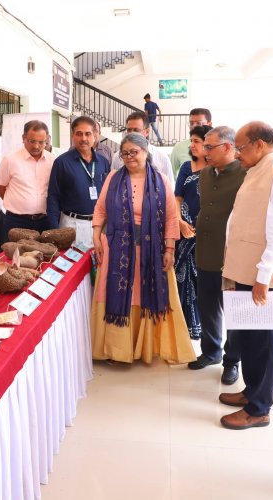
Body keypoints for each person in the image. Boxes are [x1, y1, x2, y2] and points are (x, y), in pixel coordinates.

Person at [219, 121, 273, 430]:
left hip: (262, 276)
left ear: (259, 145)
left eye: (240, 147)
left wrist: (264, 275)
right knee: (248, 338)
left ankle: (259, 408)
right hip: (246, 269)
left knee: (265, 342)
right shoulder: (257, 170)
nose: (237, 153)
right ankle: (251, 391)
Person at [91, 133, 195, 365]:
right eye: (124, 153)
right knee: (119, 295)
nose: (129, 158)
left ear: (146, 151)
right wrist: (97, 237)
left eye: (133, 152)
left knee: (143, 294)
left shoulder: (161, 181)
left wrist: (169, 249)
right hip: (117, 248)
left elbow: (170, 218)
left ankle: (145, 347)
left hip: (152, 251)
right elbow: (100, 210)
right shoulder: (112, 179)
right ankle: (118, 350)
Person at [188, 126, 245, 387]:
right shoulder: (206, 174)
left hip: (232, 256)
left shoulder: (245, 174)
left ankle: (232, 361)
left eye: (210, 147)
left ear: (228, 147)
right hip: (205, 251)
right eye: (204, 146)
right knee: (207, 306)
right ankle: (211, 352)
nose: (204, 151)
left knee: (233, 311)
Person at [173, 125, 212, 340]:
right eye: (192, 141)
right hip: (185, 234)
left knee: (204, 286)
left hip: (208, 237)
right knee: (183, 280)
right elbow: (177, 198)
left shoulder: (217, 170)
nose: (192, 145)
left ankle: (206, 332)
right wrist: (179, 222)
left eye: (196, 141)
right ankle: (185, 329)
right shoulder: (187, 168)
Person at [47, 116, 110, 246]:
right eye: (79, 134)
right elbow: (53, 197)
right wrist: (54, 230)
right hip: (71, 226)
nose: (84, 139)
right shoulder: (62, 162)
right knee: (74, 264)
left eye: (88, 134)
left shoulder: (103, 162)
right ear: (73, 136)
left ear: (95, 135)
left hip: (99, 225)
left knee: (98, 264)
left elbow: (109, 193)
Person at [0, 120, 55, 238]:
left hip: (45, 221)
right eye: (32, 141)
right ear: (23, 138)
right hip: (17, 222)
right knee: (16, 255)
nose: (36, 146)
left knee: (45, 255)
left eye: (41, 142)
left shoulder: (52, 160)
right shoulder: (10, 160)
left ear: (47, 140)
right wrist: (17, 203)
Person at [111, 111, 175, 188]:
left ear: (147, 131)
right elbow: (113, 187)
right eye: (129, 130)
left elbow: (170, 188)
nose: (131, 134)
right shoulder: (118, 157)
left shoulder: (161, 157)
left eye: (136, 130)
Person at [170, 108, 212, 175]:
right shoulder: (179, 147)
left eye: (199, 123)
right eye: (191, 123)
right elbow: (171, 174)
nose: (194, 126)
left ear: (209, 124)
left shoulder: (217, 147)